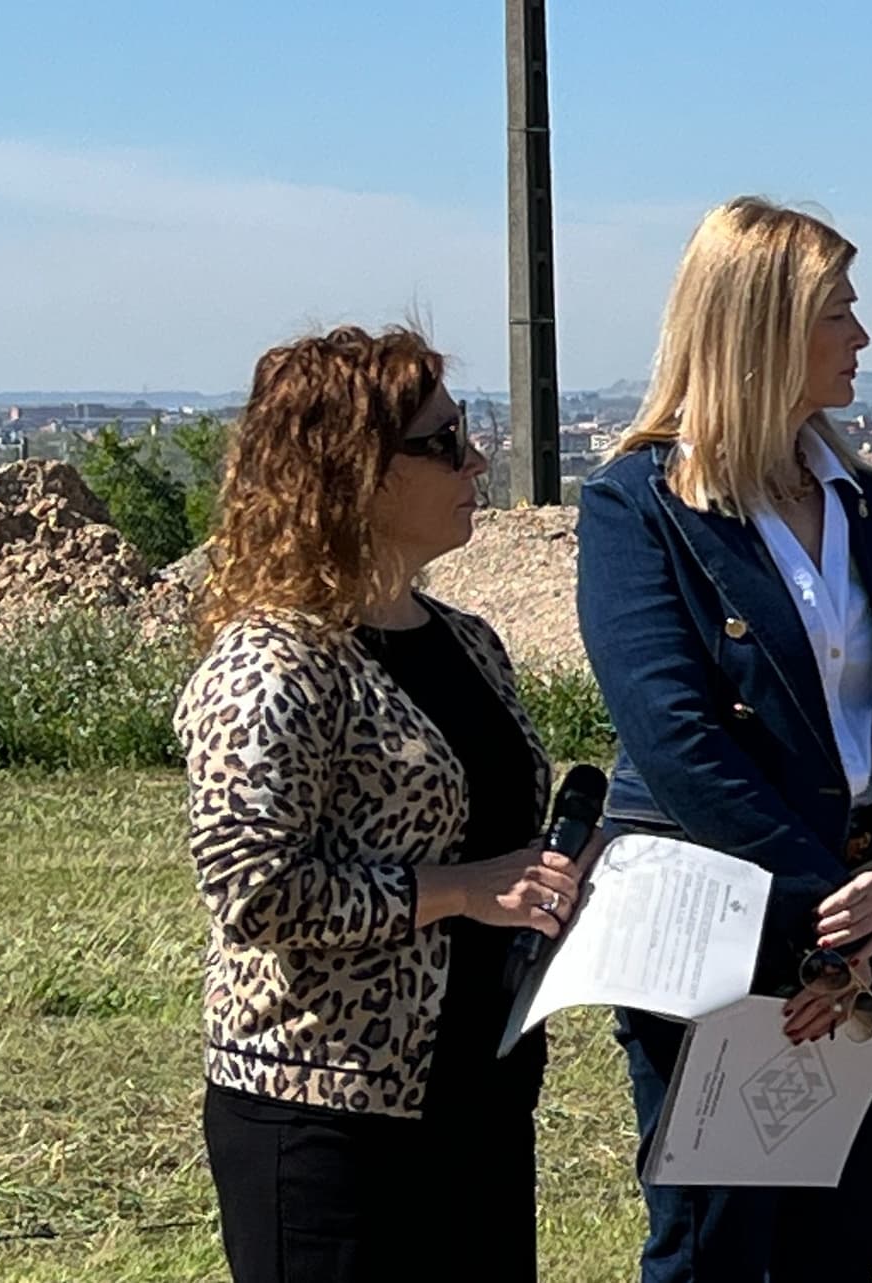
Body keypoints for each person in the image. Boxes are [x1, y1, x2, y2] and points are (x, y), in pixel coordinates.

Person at [577, 197, 872, 1282]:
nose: (863, 337)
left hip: (867, 916)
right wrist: (828, 910)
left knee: (840, 1238)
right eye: (840, 311)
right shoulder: (639, 505)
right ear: (763, 326)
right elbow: (677, 737)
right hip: (714, 927)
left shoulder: (855, 497)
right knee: (718, 1240)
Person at [176, 325, 577, 1282]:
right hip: (329, 1125)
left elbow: (500, 842)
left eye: (465, 431)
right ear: (353, 472)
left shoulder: (469, 641)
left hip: (478, 1095)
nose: (474, 458)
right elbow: (255, 893)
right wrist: (461, 889)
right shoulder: (272, 661)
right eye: (442, 442)